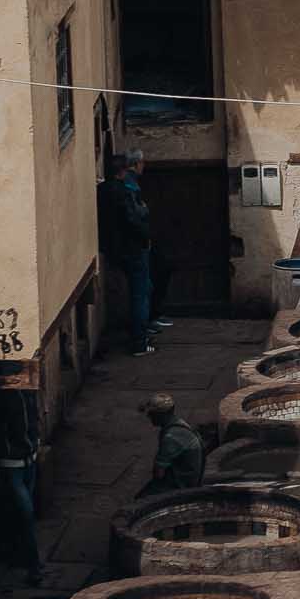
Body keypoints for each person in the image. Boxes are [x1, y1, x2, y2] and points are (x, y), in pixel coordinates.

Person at [98, 151, 159, 356]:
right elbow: (134, 219)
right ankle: (140, 343)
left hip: (113, 249)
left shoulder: (101, 190)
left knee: (142, 290)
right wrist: (146, 236)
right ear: (123, 171)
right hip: (132, 247)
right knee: (139, 294)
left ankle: (139, 334)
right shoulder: (124, 193)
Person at [0, 385, 45, 586]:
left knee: (22, 513)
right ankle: (34, 566)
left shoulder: (28, 390)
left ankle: (18, 556)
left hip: (30, 460)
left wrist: (36, 441)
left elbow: (35, 417)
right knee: (26, 514)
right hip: (11, 466)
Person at [137, 394, 207, 496]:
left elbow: (158, 473)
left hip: (184, 483)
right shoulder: (180, 423)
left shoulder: (170, 437)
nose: (149, 417)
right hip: (193, 475)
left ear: (160, 415)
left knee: (142, 498)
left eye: (151, 414)